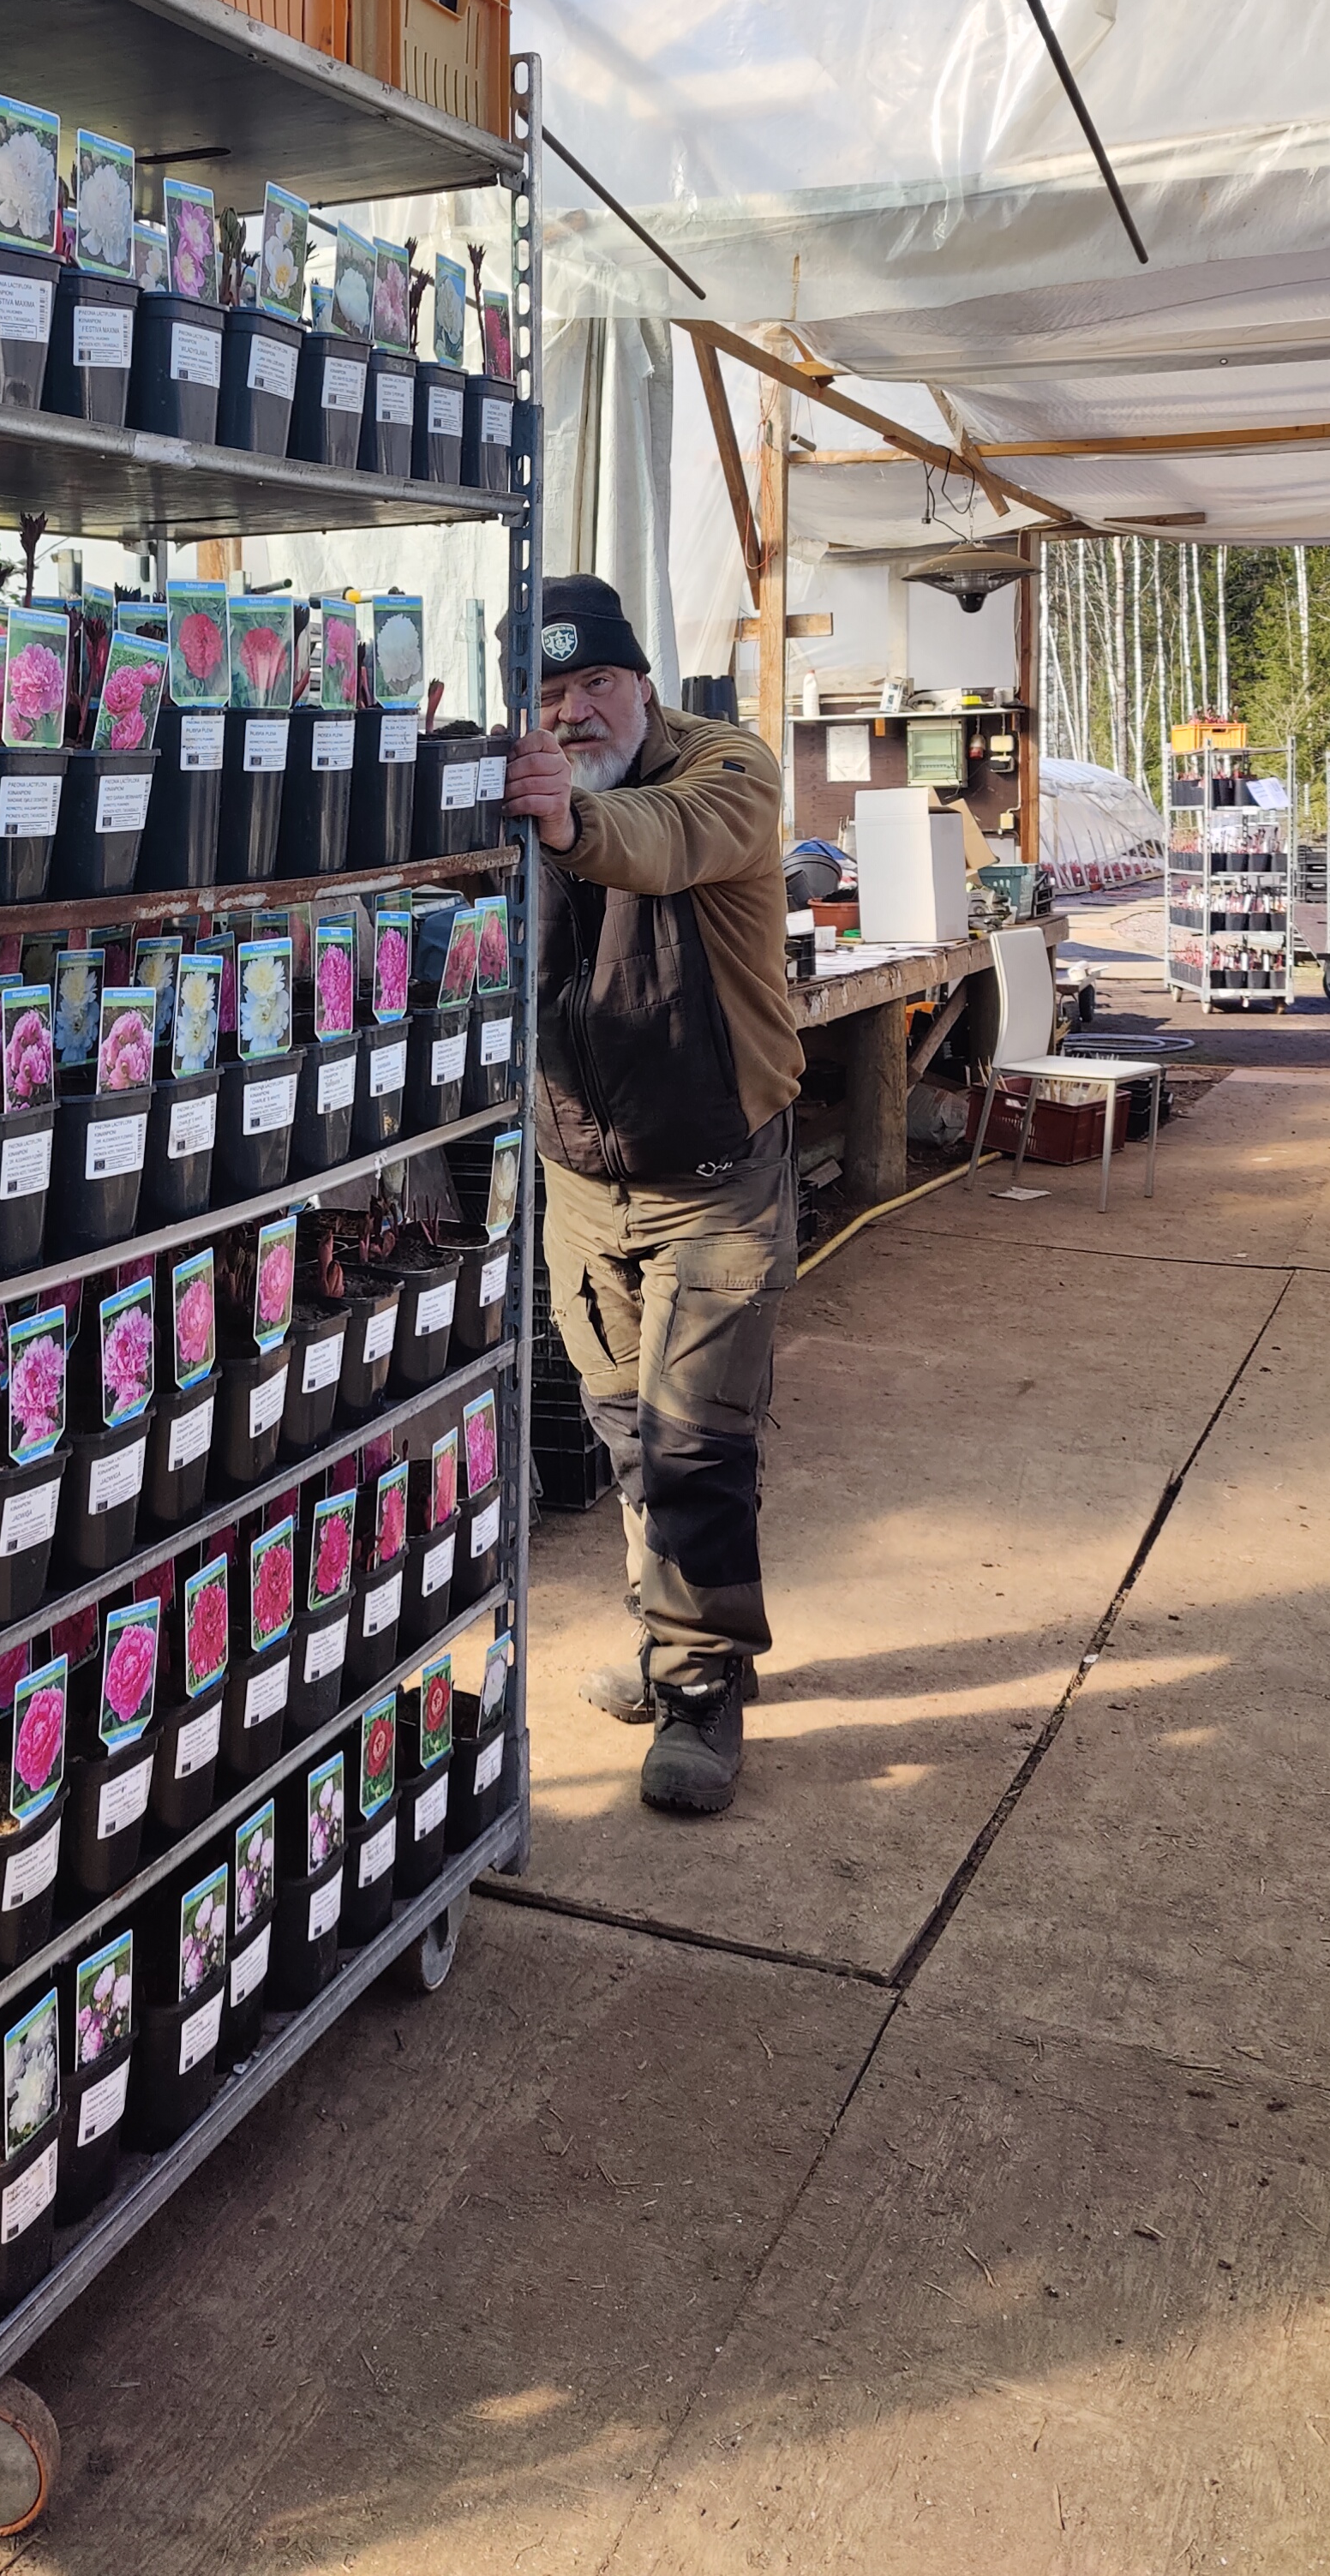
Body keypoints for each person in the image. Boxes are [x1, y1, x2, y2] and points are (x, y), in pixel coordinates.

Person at [505, 577, 800, 1818]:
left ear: (642, 681)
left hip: (713, 1180)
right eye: (549, 693)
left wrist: (567, 819)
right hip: (582, 1180)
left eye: (597, 683)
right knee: (628, 1430)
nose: (575, 712)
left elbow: (663, 836)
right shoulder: (519, 781)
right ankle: (673, 1633)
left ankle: (700, 1689)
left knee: (696, 1441)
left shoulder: (727, 771)